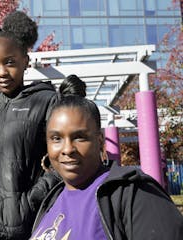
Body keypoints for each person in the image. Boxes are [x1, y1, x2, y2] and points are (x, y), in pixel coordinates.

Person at [30, 76, 183, 239]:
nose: (67, 149)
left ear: (100, 140)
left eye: (79, 137)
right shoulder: (52, 200)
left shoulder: (134, 194)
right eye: (56, 138)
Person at [0, 11, 61, 240]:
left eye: (10, 62)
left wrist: (32, 199)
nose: (2, 73)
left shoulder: (46, 101)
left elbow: (61, 159)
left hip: (28, 226)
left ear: (25, 61)